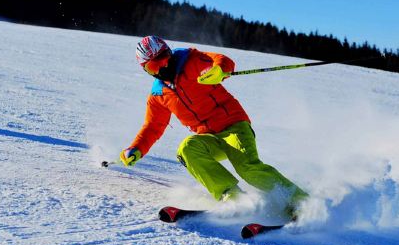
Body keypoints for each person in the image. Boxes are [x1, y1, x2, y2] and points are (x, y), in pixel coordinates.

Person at [120, 36, 308, 215]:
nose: (164, 65)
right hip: (208, 138)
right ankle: (231, 196)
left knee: (247, 168)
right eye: (154, 66)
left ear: (169, 53)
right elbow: (153, 126)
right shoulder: (158, 94)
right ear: (146, 70)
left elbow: (222, 60)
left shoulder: (191, 61)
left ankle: (300, 201)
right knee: (187, 149)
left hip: (234, 127)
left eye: (164, 57)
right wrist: (136, 148)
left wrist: (219, 70)